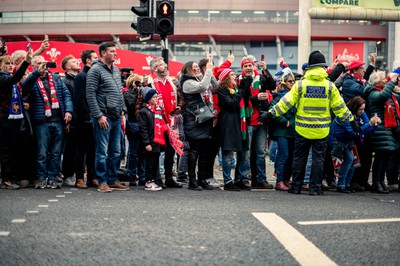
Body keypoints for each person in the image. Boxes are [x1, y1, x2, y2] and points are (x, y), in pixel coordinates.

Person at [259, 51, 357, 196]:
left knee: (299, 159)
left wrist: (271, 113)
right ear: (323, 67)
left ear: (310, 67)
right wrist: (352, 120)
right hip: (321, 130)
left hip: (302, 129)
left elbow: (285, 103)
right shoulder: (329, 86)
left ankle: (296, 187)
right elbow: (340, 108)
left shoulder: (300, 85)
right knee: (318, 160)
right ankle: (315, 188)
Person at [21, 55, 73, 189]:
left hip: (58, 121)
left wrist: (68, 111)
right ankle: (41, 177)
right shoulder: (32, 79)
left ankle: (53, 177)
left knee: (56, 152)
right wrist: (36, 72)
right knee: (42, 152)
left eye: (43, 63)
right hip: (41, 122)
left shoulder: (56, 78)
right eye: (38, 63)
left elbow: (66, 95)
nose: (43, 65)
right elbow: (25, 87)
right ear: (33, 66)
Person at [86, 42, 129, 193]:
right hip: (103, 117)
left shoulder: (116, 70)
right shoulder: (95, 70)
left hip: (116, 116)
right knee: (102, 151)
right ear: (103, 53)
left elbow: (119, 91)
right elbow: (90, 95)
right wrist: (98, 116)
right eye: (112, 51)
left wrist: (122, 109)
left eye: (115, 51)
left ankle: (112, 179)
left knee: (116, 151)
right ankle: (102, 181)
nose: (115, 54)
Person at [238, 55, 276, 190]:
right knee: (246, 152)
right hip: (247, 122)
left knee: (260, 153)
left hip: (260, 121)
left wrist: (265, 70)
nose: (248, 68)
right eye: (245, 66)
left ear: (254, 66)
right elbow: (243, 97)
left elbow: (272, 85)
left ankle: (260, 179)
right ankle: (243, 179)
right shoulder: (240, 80)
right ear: (242, 68)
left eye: (250, 65)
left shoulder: (260, 77)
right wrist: (257, 98)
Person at [329, 96, 380, 193]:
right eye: (360, 109)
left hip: (347, 140)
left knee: (354, 161)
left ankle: (347, 184)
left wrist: (374, 125)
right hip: (337, 140)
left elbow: (365, 129)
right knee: (349, 159)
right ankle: (341, 185)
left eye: (363, 109)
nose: (362, 111)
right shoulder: (344, 115)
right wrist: (369, 124)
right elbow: (353, 132)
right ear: (354, 107)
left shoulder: (361, 113)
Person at [147, 57, 182, 189]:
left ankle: (168, 177)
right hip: (156, 120)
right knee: (156, 151)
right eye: (162, 65)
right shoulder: (149, 82)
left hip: (170, 120)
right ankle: (156, 177)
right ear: (155, 68)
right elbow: (142, 102)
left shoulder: (170, 82)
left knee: (170, 151)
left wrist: (179, 106)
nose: (165, 66)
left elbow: (179, 97)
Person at [0, 50, 33, 189]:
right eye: (6, 63)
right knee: (6, 150)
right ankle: (6, 180)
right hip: (4, 119)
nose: (9, 66)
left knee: (12, 149)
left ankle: (10, 177)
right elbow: (14, 78)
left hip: (12, 119)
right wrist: (26, 62)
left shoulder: (9, 79)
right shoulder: (2, 78)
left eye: (11, 63)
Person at [363, 70, 400, 193]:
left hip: (388, 129)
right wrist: (392, 83)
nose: (387, 80)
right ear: (376, 82)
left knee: (386, 157)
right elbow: (382, 96)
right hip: (380, 130)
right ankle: (376, 183)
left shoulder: (389, 93)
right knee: (380, 157)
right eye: (384, 79)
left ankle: (381, 182)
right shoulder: (373, 93)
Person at [180, 60, 215, 190]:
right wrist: (209, 71)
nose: (197, 69)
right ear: (188, 69)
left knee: (204, 151)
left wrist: (209, 72)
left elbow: (213, 86)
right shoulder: (187, 83)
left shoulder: (198, 78)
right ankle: (192, 180)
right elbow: (202, 86)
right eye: (194, 67)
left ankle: (202, 179)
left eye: (197, 67)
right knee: (194, 150)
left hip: (203, 117)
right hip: (193, 120)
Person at [73, 49, 99, 188]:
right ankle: (79, 178)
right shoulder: (81, 77)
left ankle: (92, 177)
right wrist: (87, 116)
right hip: (84, 119)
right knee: (81, 149)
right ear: (88, 60)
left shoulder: (95, 75)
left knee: (93, 149)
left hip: (96, 117)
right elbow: (79, 99)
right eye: (95, 57)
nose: (98, 59)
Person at [217, 68, 244, 191]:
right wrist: (237, 95)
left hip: (234, 124)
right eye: (233, 74)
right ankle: (227, 181)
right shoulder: (223, 90)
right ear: (227, 77)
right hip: (227, 124)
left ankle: (233, 179)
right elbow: (231, 104)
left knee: (232, 154)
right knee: (227, 154)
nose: (235, 76)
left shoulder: (235, 90)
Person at [269, 69, 296, 191]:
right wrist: (286, 122)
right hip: (282, 132)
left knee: (290, 157)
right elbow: (273, 113)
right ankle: (280, 180)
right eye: (290, 81)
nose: (293, 83)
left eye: (294, 81)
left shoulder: (295, 96)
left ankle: (286, 179)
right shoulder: (277, 97)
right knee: (283, 155)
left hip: (292, 132)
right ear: (284, 83)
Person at [138, 87, 165, 191]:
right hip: (150, 141)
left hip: (157, 141)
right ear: (148, 99)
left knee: (155, 162)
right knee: (149, 162)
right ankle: (148, 181)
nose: (156, 98)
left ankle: (153, 180)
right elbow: (143, 129)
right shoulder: (144, 112)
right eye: (154, 97)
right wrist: (146, 143)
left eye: (157, 96)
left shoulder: (157, 110)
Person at [60, 55, 81, 187]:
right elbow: (66, 101)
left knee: (79, 149)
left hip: (80, 118)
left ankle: (77, 174)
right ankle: (68, 174)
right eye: (74, 61)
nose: (77, 62)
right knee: (70, 149)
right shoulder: (65, 81)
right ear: (68, 67)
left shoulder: (79, 79)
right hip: (72, 119)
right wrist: (67, 121)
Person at [124, 74, 146, 186]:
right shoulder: (128, 93)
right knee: (133, 152)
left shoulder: (143, 93)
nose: (139, 85)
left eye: (140, 82)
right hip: (133, 123)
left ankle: (142, 176)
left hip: (142, 123)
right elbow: (132, 106)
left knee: (142, 152)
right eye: (137, 82)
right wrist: (136, 92)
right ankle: (132, 175)